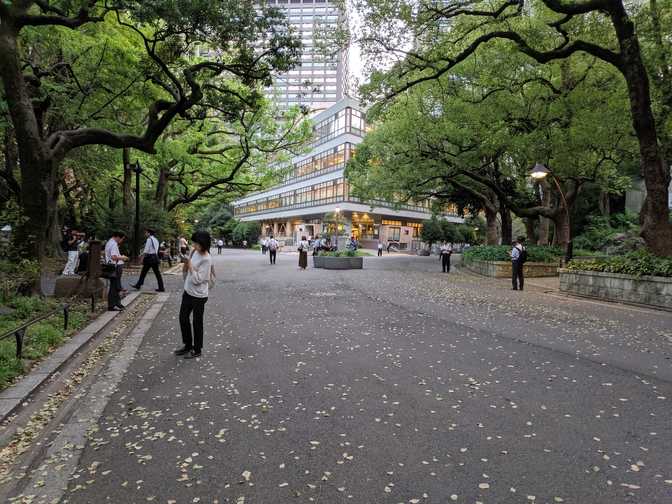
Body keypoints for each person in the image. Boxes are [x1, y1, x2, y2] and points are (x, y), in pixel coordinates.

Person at [175, 231, 213, 359]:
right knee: (183, 318)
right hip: (188, 291)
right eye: (194, 242)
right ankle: (187, 345)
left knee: (197, 322)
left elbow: (198, 280)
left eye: (196, 243)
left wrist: (190, 264)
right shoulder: (194, 251)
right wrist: (188, 263)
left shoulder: (207, 259)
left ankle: (197, 349)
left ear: (203, 244)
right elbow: (190, 273)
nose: (194, 245)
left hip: (199, 296)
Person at [131, 228, 165, 292]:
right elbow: (155, 249)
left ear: (149, 233)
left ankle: (138, 285)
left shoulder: (149, 240)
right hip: (155, 257)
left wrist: (141, 259)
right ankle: (161, 287)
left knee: (143, 272)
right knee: (157, 274)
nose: (145, 234)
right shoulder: (156, 239)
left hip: (149, 258)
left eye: (146, 232)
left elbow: (146, 251)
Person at [105, 231, 128, 311]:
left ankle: (117, 303)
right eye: (122, 239)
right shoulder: (114, 244)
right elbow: (114, 257)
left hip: (111, 266)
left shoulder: (109, 242)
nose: (121, 241)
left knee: (116, 286)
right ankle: (112, 305)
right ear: (118, 237)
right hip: (114, 266)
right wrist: (123, 258)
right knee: (114, 287)